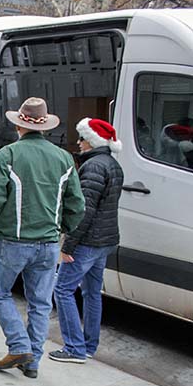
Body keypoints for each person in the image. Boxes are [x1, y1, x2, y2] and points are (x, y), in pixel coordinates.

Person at [0, 97, 85, 379]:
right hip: (48, 243)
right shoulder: (63, 158)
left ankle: (20, 346)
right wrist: (62, 228)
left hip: (13, 240)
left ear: (18, 125)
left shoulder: (8, 154)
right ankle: (32, 360)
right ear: (44, 126)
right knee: (41, 303)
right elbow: (77, 205)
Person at [50, 118, 124, 364]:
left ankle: (74, 348)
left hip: (87, 242)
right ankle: (89, 345)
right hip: (105, 240)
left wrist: (68, 245)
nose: (78, 143)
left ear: (92, 141)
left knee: (62, 290)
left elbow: (84, 211)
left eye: (82, 138)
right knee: (92, 292)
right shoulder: (112, 164)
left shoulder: (92, 167)